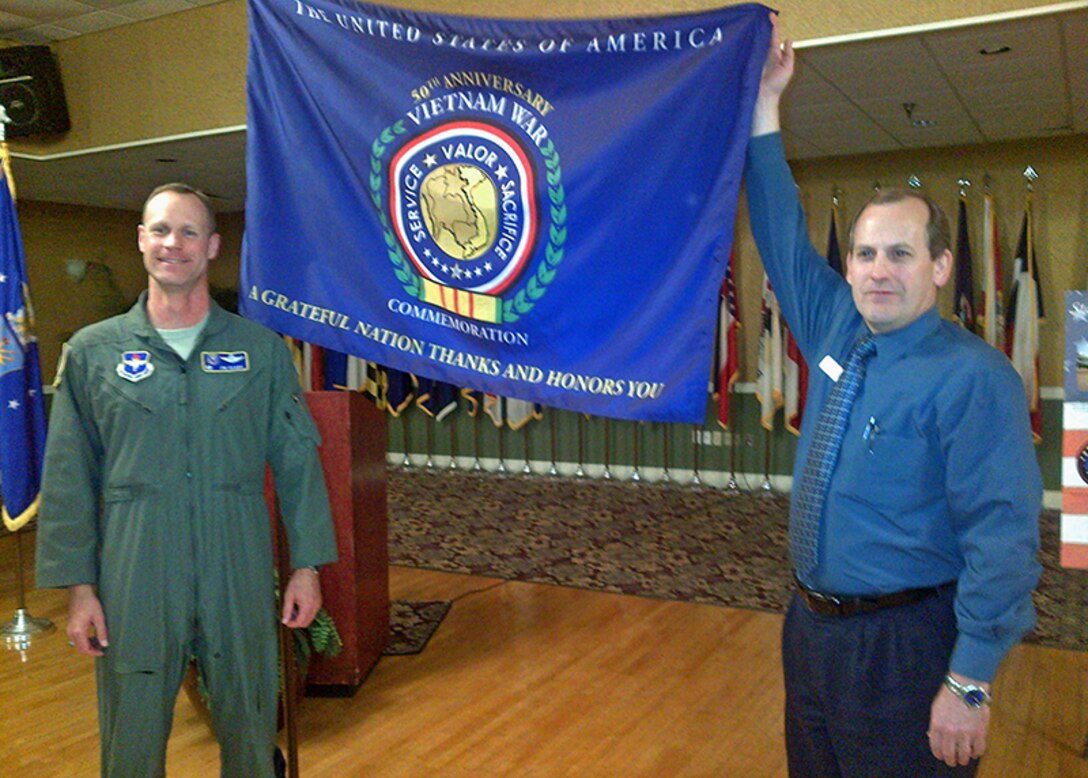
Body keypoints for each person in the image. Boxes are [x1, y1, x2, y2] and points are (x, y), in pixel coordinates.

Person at [746, 17, 1042, 777]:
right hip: (810, 632)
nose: (879, 270)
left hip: (908, 645)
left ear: (941, 269)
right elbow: (780, 233)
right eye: (866, 252)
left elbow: (1003, 541)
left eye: (901, 254)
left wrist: (969, 682)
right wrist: (765, 108)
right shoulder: (836, 328)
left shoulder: (975, 377)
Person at [35, 183, 338, 777]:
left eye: (190, 231)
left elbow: (298, 460)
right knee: (132, 730)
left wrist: (307, 566)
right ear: (142, 239)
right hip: (135, 564)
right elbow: (69, 475)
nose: (175, 244)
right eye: (162, 230)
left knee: (250, 722)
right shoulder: (93, 354)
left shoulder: (261, 351)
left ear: (213, 246)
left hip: (238, 561)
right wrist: (80, 588)